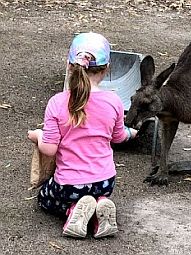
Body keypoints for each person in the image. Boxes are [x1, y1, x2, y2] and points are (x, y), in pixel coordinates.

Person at [27, 32, 137, 239]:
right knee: (96, 194)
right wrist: (131, 133)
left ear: (70, 67)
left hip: (70, 185)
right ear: (107, 69)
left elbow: (49, 148)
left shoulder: (58, 102)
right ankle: (99, 209)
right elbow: (118, 137)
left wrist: (37, 135)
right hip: (105, 182)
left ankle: (73, 210)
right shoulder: (114, 101)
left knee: (44, 199)